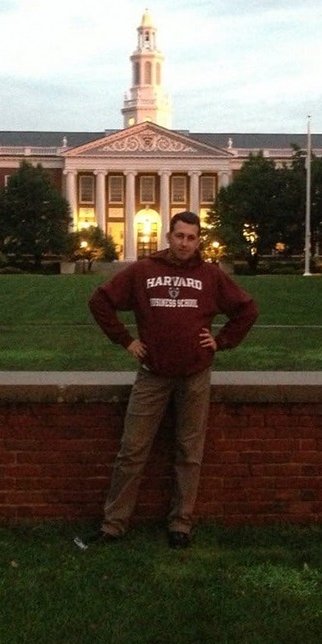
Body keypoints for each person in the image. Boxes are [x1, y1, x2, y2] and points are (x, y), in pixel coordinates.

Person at [74, 211, 258, 550]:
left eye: (191, 237)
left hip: (195, 376)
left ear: (198, 240)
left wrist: (221, 340)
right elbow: (100, 301)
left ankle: (180, 524)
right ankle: (113, 524)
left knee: (189, 452)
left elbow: (247, 309)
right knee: (132, 451)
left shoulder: (211, 276)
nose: (185, 242)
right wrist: (126, 340)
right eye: (179, 236)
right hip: (152, 376)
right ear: (168, 237)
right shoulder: (144, 271)